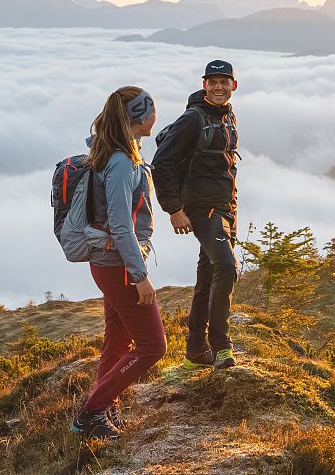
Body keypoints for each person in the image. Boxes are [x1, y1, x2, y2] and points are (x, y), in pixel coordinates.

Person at [70, 86, 164, 440]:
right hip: (119, 265)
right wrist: (140, 276)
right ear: (139, 117)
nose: (156, 116)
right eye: (152, 110)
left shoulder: (112, 151)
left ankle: (103, 407)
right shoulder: (123, 162)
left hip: (109, 261)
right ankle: (92, 412)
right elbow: (122, 224)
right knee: (154, 346)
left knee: (118, 339)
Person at [153, 60, 241, 369]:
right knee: (227, 268)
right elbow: (161, 163)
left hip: (226, 208)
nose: (218, 86)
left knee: (208, 276)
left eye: (224, 81)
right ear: (204, 84)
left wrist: (232, 205)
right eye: (212, 81)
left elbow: (226, 164)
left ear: (234, 85)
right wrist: (174, 210)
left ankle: (195, 347)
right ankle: (222, 347)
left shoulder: (228, 116)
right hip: (203, 210)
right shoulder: (192, 120)